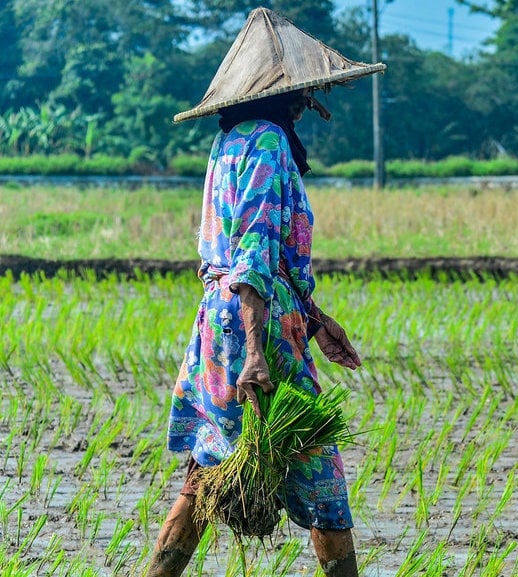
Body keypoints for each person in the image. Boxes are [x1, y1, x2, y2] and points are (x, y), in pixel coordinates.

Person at [144, 8, 384, 577]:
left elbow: (248, 255)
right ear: (281, 96)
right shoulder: (271, 142)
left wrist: (317, 317)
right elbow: (252, 254)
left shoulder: (228, 141)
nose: (307, 104)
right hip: (257, 323)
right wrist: (256, 352)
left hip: (221, 318)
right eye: (300, 95)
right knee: (319, 468)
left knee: (208, 474)